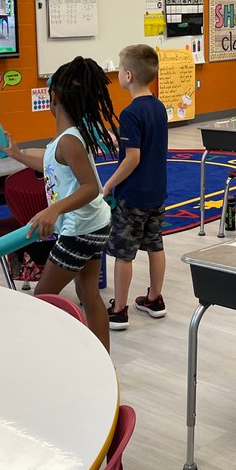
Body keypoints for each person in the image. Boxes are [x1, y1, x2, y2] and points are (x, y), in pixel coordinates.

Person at [1, 57, 116, 350]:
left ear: (54, 98)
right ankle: (103, 360)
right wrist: (17, 154)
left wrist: (54, 208)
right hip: (94, 225)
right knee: (88, 292)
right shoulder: (66, 139)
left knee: (43, 296)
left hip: (80, 230)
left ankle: (50, 355)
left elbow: (92, 187)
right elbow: (50, 161)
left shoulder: (69, 141)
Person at [103, 45, 169, 332]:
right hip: (157, 191)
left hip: (133, 196)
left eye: (119, 69)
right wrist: (120, 141)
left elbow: (133, 157)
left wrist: (108, 184)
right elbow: (144, 145)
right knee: (155, 245)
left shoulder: (130, 113)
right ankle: (154, 299)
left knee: (124, 253)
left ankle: (118, 310)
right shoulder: (158, 106)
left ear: (128, 75)